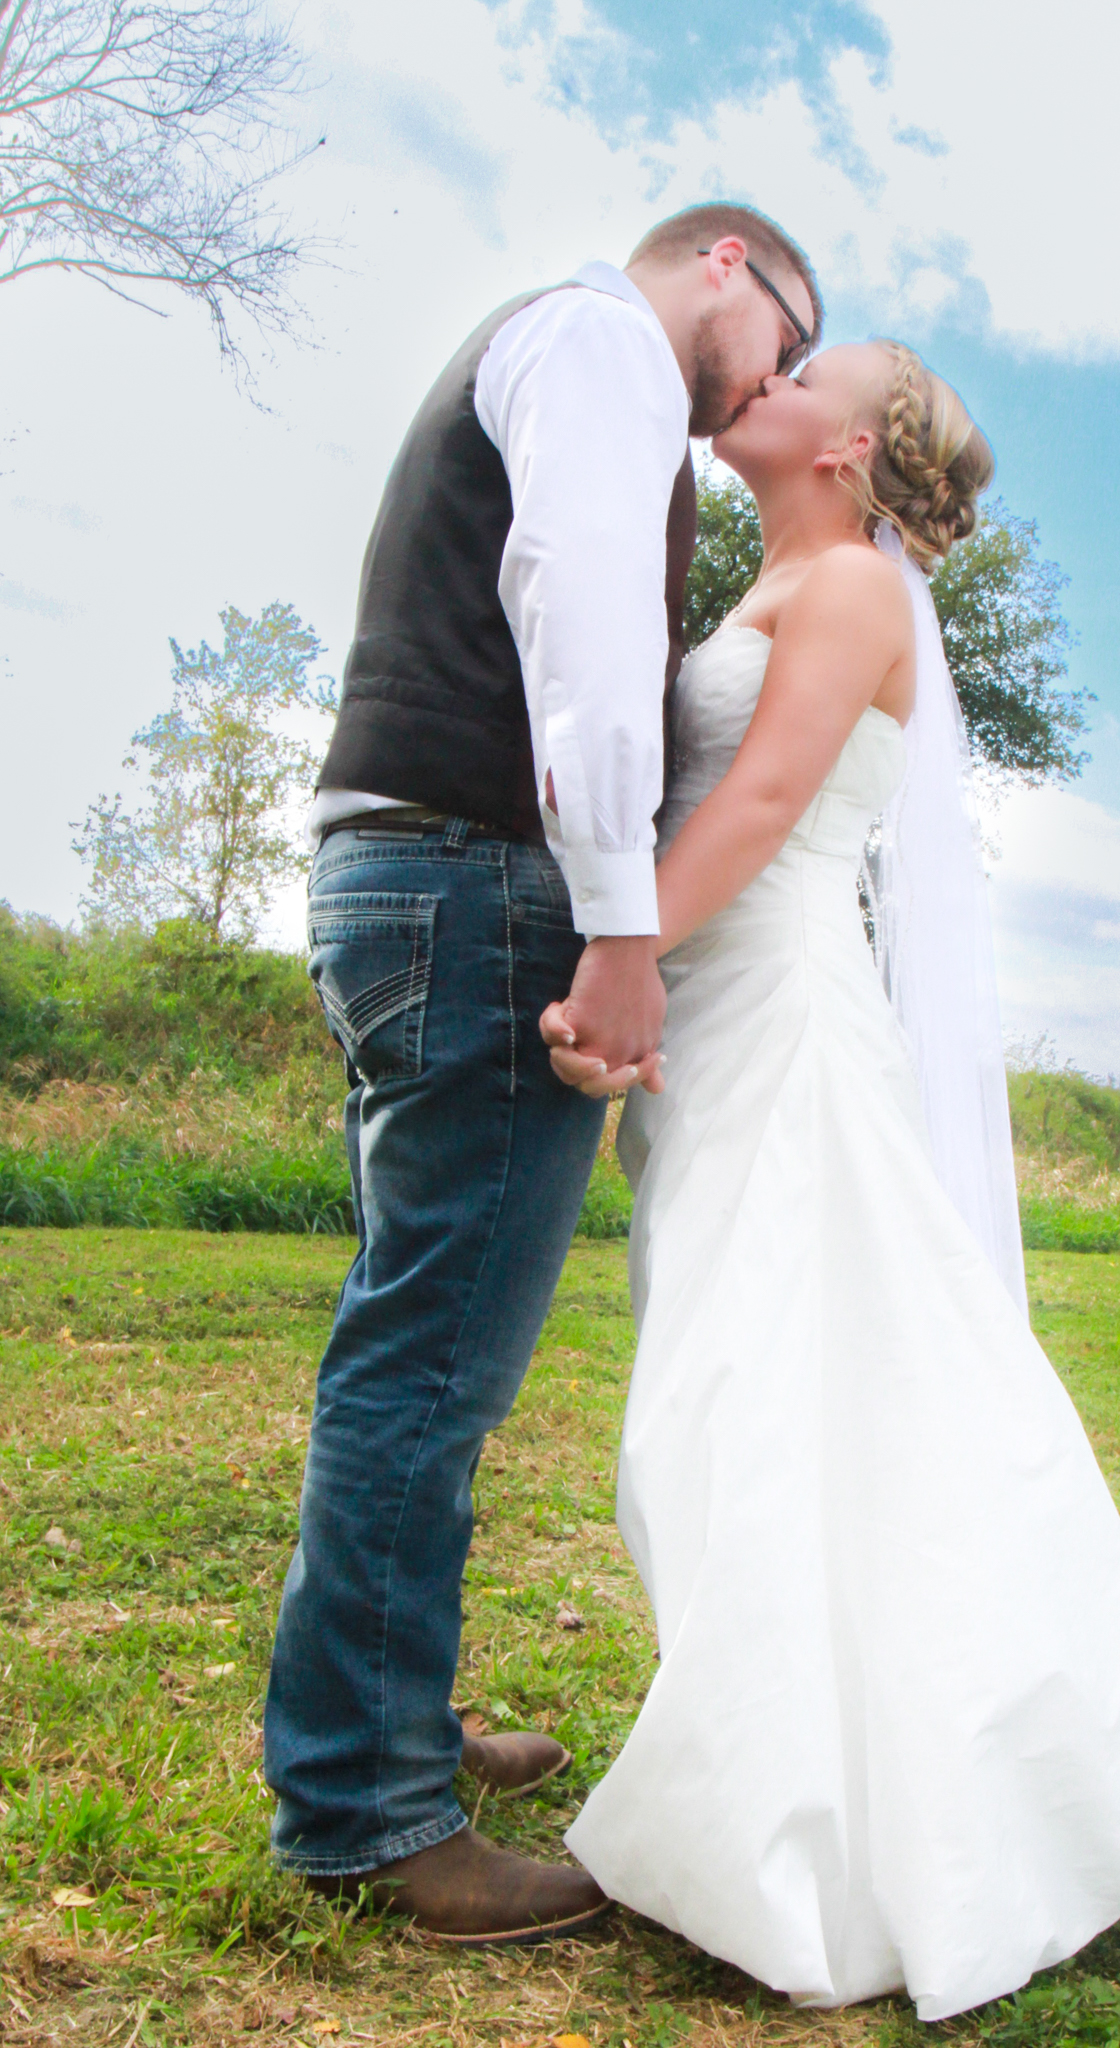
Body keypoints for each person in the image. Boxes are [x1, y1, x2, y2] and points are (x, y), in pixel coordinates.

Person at [548, 342, 1120, 2017]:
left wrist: (615, 962)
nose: (757, 380)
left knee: (764, 1378)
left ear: (847, 445)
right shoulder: (776, 570)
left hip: (778, 1008)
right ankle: (799, 1776)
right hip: (726, 1011)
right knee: (747, 1377)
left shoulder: (850, 581)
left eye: (798, 374)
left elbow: (773, 794)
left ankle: (838, 1822)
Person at [261, 205, 822, 1943]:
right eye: (787, 340)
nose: (777, 384)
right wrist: (622, 926)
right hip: (476, 878)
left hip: (417, 873)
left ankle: (388, 1723)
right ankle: (371, 1812)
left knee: (411, 1336)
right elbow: (576, 626)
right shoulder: (600, 347)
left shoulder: (566, 352)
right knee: (428, 1370)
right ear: (724, 258)